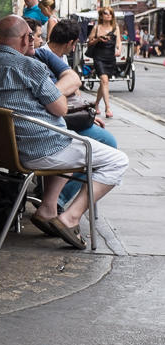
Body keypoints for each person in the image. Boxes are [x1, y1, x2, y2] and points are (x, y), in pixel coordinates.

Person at [0, 15, 128, 250]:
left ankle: (48, 209)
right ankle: (70, 218)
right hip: (40, 149)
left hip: (5, 153)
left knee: (65, 139)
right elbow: (60, 107)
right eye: (32, 37)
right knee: (117, 161)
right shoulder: (29, 66)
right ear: (26, 39)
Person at [33, 19, 119, 211]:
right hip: (58, 121)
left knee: (102, 137)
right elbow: (54, 99)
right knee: (109, 145)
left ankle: (54, 196)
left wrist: (84, 113)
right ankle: (57, 199)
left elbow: (75, 90)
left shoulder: (58, 57)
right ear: (71, 43)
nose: (37, 41)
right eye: (36, 36)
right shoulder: (43, 57)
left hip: (69, 115)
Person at [87, 6, 121, 119]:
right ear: (101, 16)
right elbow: (89, 42)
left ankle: (96, 104)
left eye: (110, 13)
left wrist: (119, 49)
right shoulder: (97, 27)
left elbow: (119, 41)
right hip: (99, 57)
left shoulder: (115, 27)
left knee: (104, 83)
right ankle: (107, 108)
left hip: (110, 57)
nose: (109, 15)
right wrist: (98, 39)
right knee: (104, 80)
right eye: (106, 13)